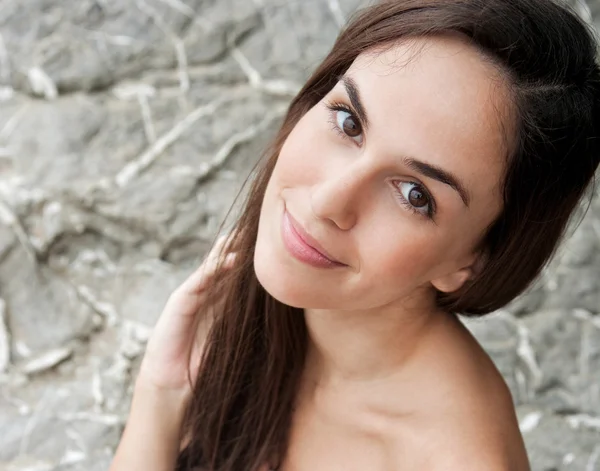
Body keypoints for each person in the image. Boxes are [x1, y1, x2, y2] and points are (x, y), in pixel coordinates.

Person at [108, 0, 600, 470]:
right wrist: (162, 394)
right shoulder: (263, 327)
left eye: (414, 195)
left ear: (472, 260)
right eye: (348, 122)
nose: (329, 201)